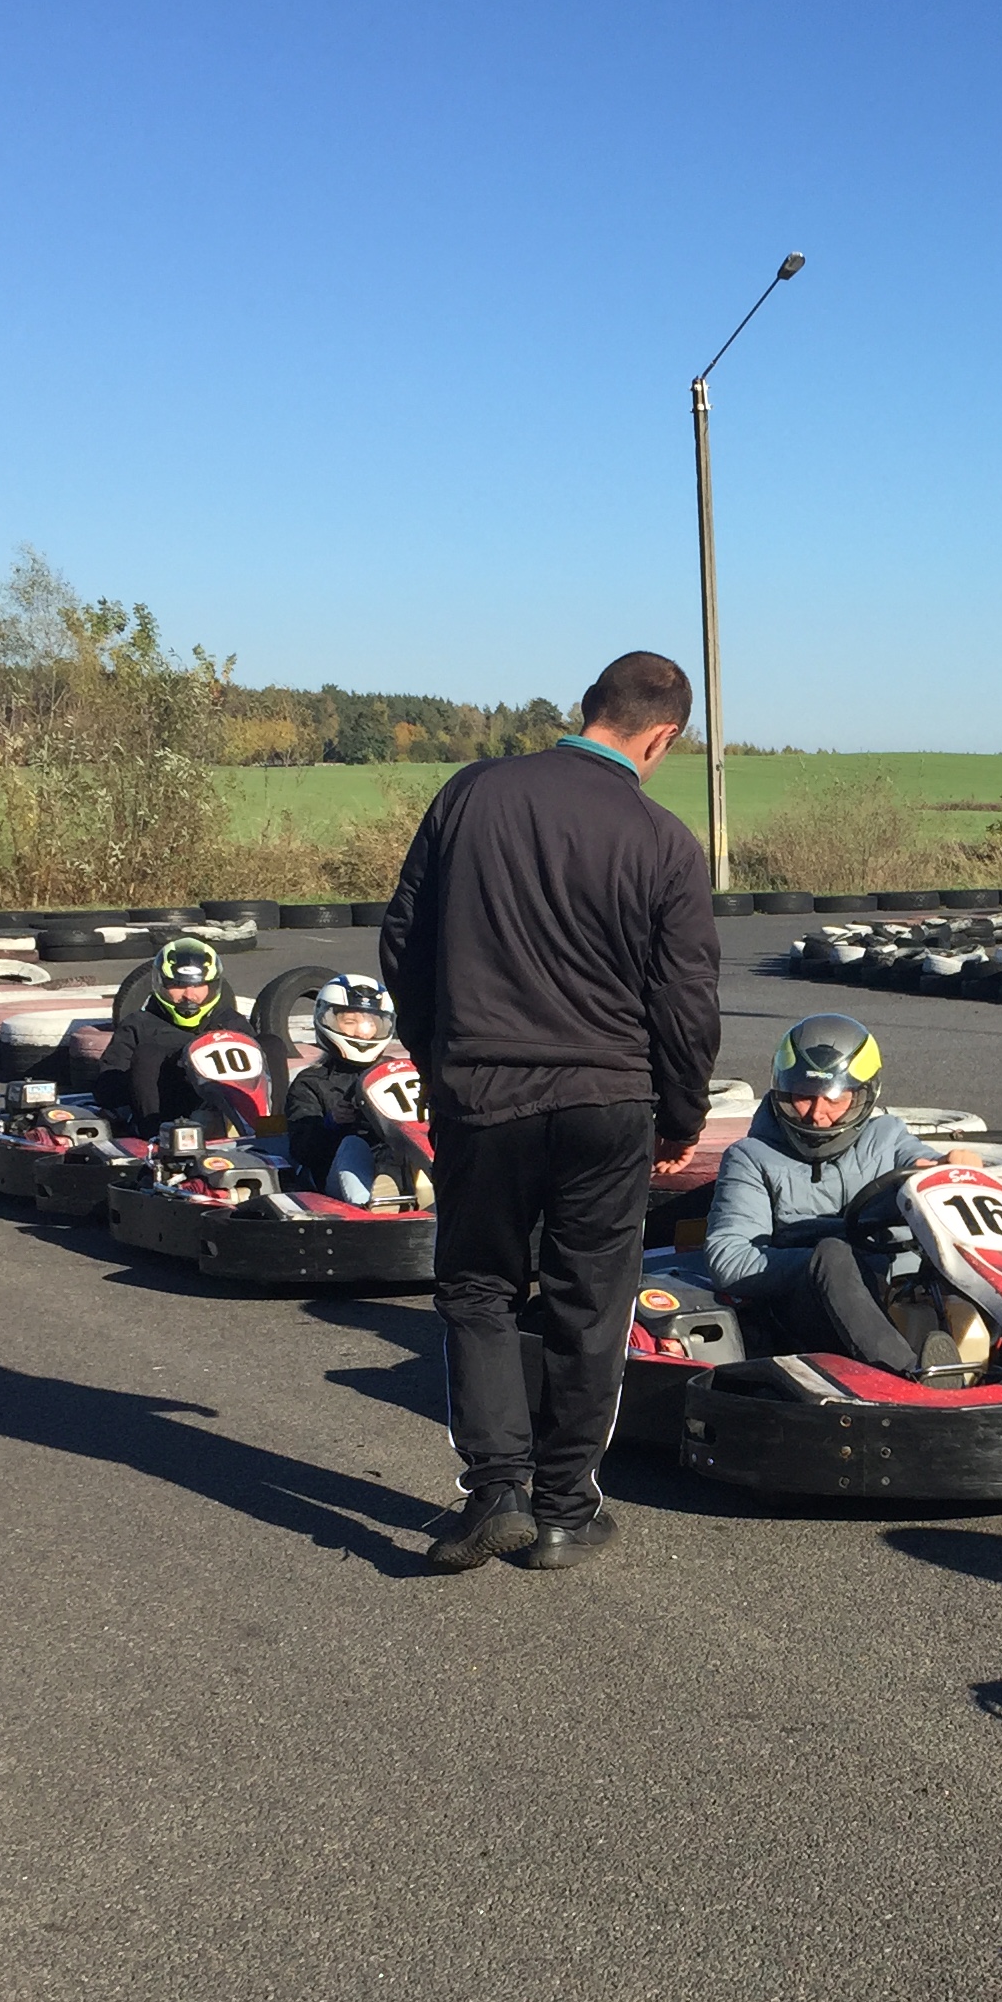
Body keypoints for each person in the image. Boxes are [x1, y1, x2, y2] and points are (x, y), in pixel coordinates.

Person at [378, 650, 723, 1575]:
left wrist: (438, 1060)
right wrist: (682, 1115)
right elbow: (685, 999)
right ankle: (566, 1509)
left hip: (484, 1092)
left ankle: (498, 1489)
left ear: (586, 708)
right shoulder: (664, 841)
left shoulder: (471, 794)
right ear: (663, 736)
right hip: (610, 1099)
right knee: (590, 1303)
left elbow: (404, 941)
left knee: (479, 1289)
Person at [701, 1013, 981, 1376]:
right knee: (833, 1254)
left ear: (862, 1096)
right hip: (804, 1312)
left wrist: (953, 1170)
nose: (817, 1114)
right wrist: (820, 1266)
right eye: (803, 1096)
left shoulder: (888, 1137)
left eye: (834, 1099)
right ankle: (911, 1376)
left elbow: (925, 1167)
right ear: (782, 1091)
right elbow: (729, 1258)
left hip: (892, 1290)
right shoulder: (752, 1157)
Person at [91, 936, 251, 1134]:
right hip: (167, 1118)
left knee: (271, 1044)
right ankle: (153, 1134)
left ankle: (270, 1130)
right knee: (149, 1054)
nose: (189, 995)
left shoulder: (231, 1022)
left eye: (198, 985)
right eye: (178, 985)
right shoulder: (139, 1025)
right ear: (162, 984)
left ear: (212, 985)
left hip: (230, 1110)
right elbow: (106, 1089)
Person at [278, 973, 409, 1204]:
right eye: (350, 1022)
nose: (362, 1031)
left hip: (392, 1162)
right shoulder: (311, 1081)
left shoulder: (395, 1073)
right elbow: (301, 1150)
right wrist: (331, 1123)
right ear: (327, 1020)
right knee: (353, 1144)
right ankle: (370, 1205)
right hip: (331, 1174)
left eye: (371, 1022)